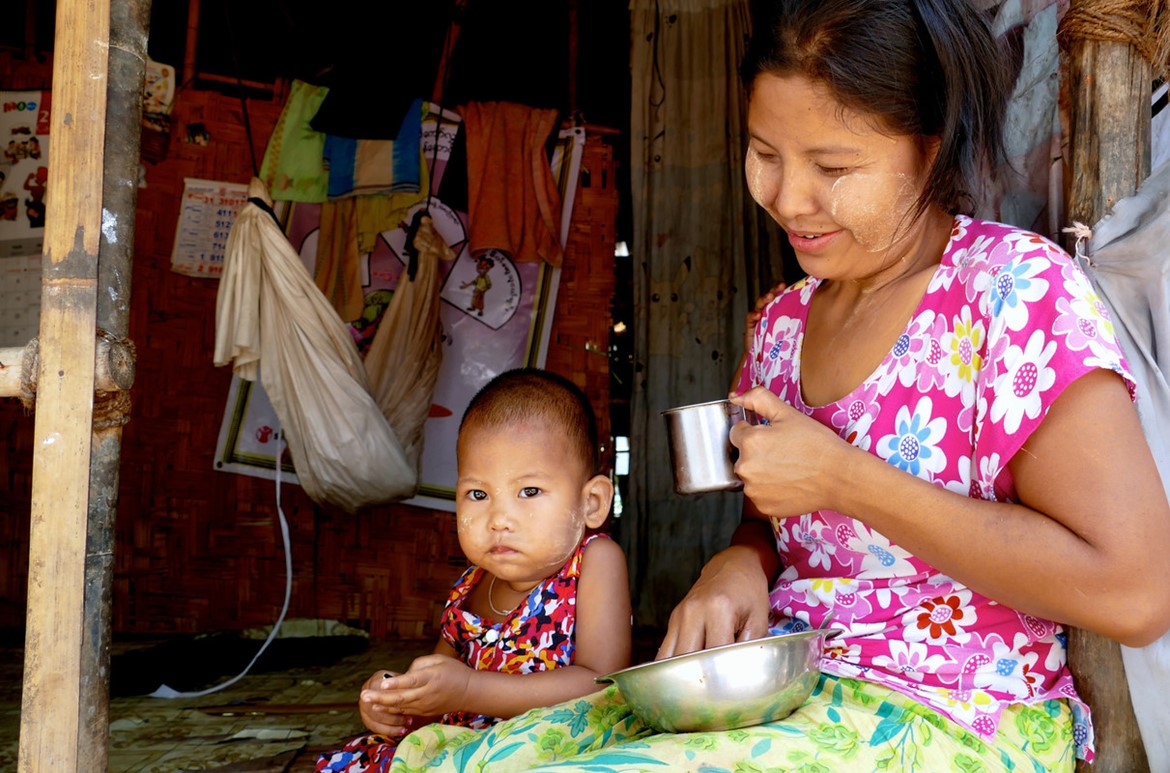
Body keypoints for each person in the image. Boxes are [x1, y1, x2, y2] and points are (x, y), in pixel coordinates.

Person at [372, 1, 1170, 771]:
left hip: (952, 715)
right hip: (788, 690)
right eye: (765, 154)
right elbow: (774, 524)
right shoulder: (781, 325)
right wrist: (741, 563)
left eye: (833, 166)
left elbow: (1135, 590)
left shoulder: (1012, 294)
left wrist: (846, 478)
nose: (789, 199)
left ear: (929, 147)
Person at [315, 368, 631, 772]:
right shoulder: (470, 586)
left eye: (529, 491)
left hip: (557, 744)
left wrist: (469, 688)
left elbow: (602, 683)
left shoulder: (595, 560)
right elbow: (438, 689)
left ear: (592, 503)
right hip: (466, 746)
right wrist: (398, 701)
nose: (499, 518)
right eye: (478, 494)